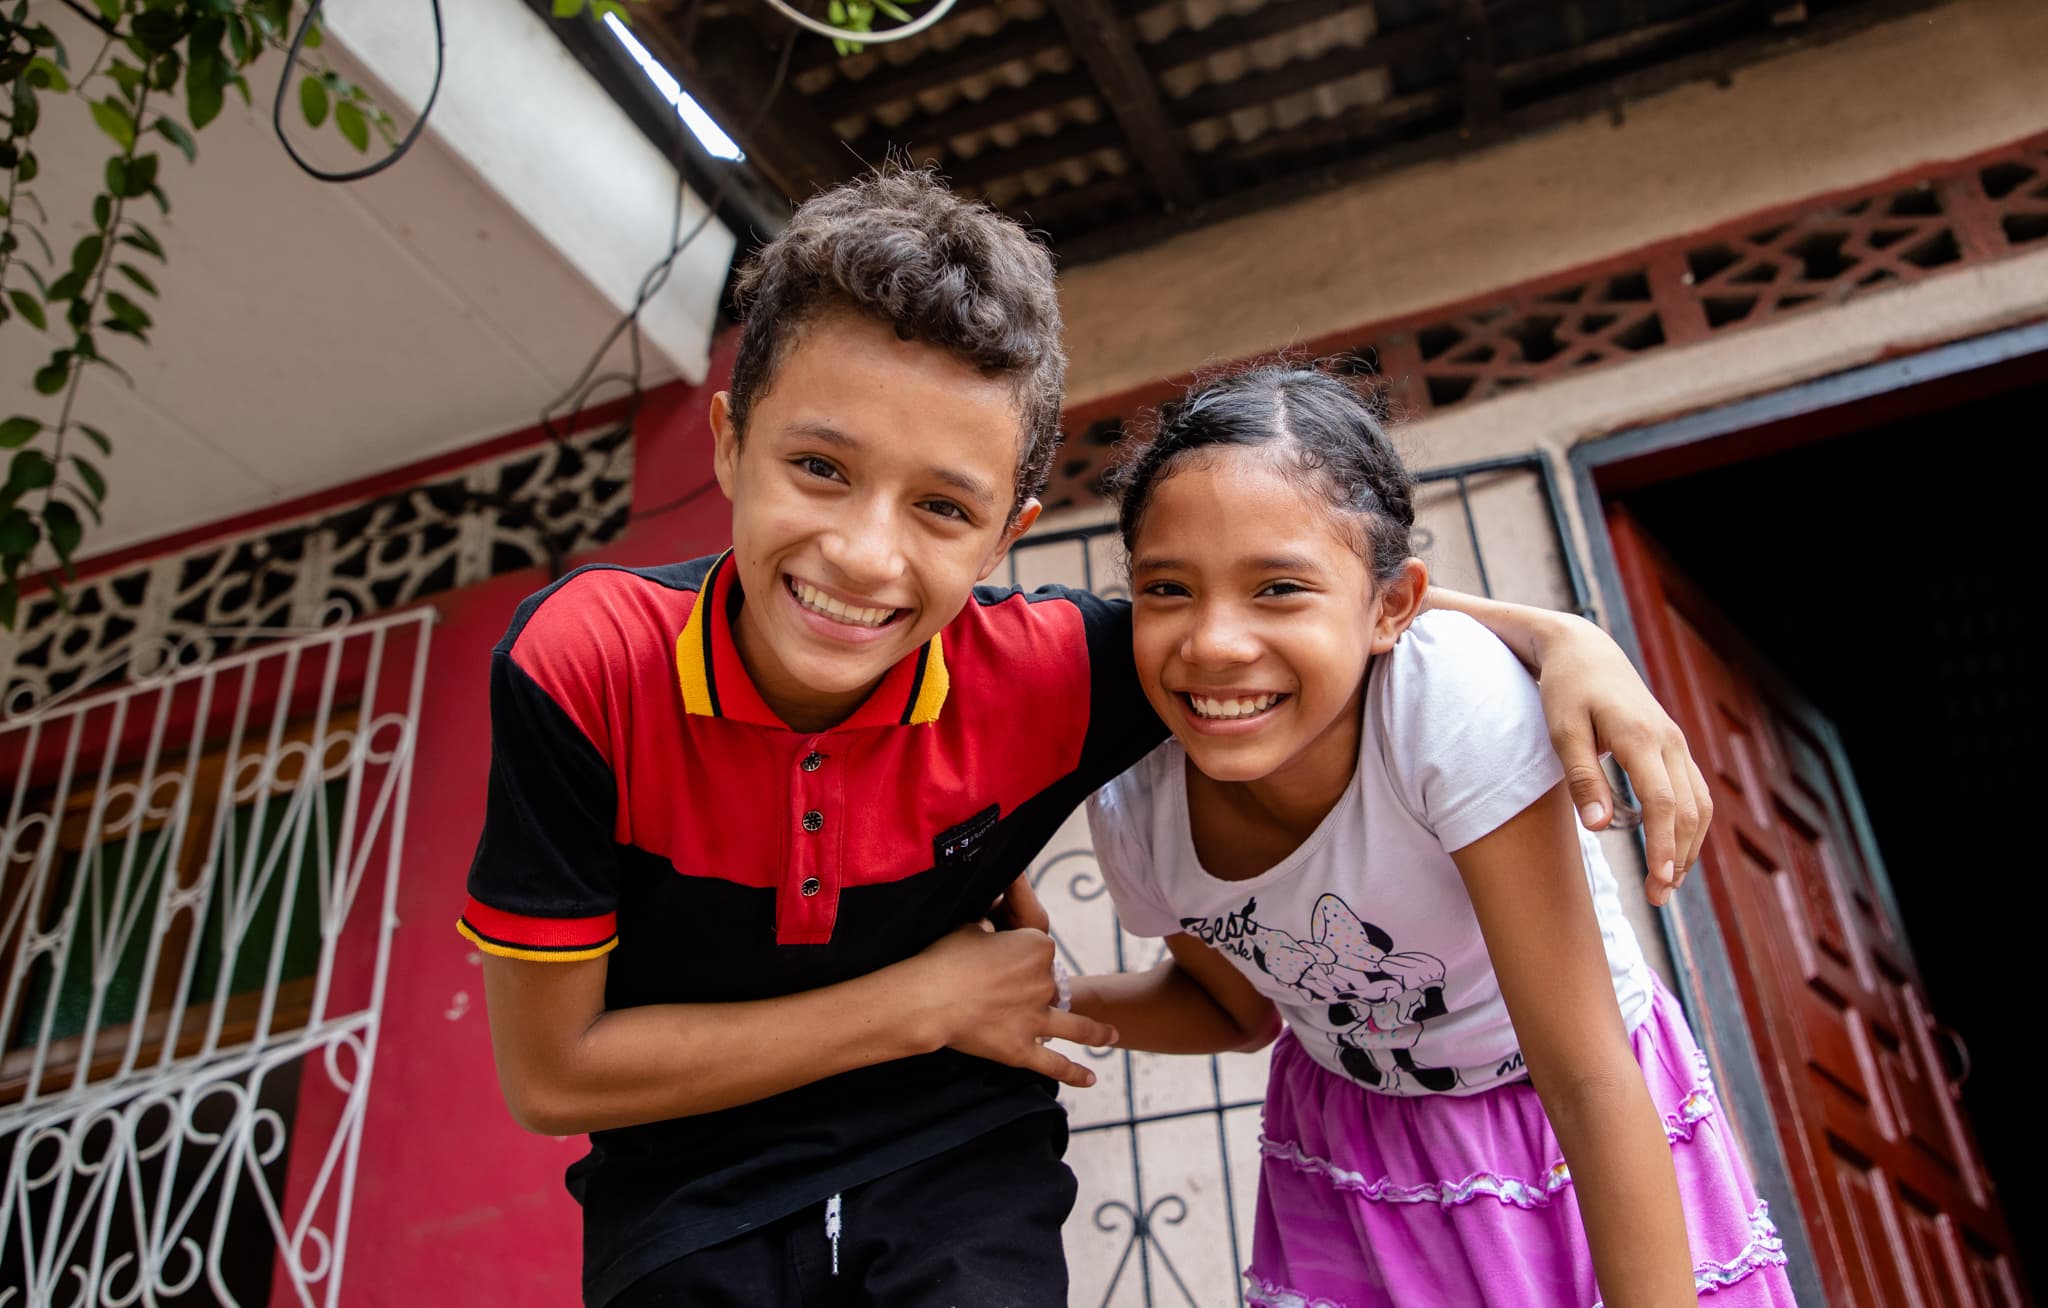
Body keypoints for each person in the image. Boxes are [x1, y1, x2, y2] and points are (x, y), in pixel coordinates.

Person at [459, 170, 1715, 1306]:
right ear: (730, 443)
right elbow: (553, 1078)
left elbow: (1304, 619)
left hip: (949, 1155)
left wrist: (1562, 639)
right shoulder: (589, 668)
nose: (862, 554)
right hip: (685, 1183)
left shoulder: (1070, 673)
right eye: (821, 469)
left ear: (1008, 531)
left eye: (942, 506)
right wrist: (925, 1001)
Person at [1074, 364, 1794, 1307]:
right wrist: (1041, 997)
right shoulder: (1137, 802)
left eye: (1279, 587)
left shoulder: (1443, 701)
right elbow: (1238, 1016)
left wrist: (1562, 635)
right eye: (1168, 588)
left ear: (1392, 608)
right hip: (1348, 1145)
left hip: (1558, 1121)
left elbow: (1583, 1076)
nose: (1213, 643)